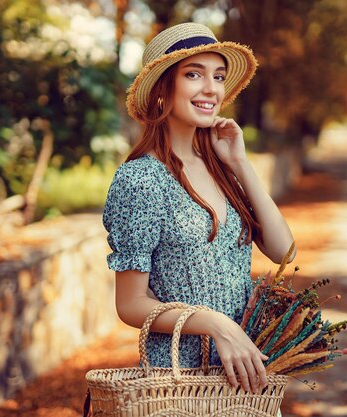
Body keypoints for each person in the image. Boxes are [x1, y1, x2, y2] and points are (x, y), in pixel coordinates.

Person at [103, 22, 296, 397]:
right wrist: (214, 324)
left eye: (219, 76)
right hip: (179, 382)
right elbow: (129, 304)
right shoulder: (141, 180)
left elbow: (283, 251)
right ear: (163, 90)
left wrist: (241, 164)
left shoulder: (223, 168)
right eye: (194, 74)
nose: (211, 88)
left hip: (245, 374)